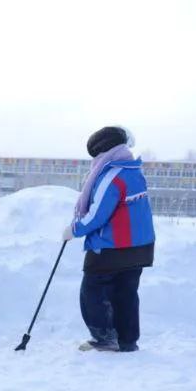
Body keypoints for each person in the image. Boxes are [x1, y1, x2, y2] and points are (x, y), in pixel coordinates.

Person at [62, 125, 156, 353]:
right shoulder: (133, 171)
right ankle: (127, 341)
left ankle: (104, 338)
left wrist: (75, 229)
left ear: (104, 151)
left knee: (92, 292)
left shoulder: (112, 176)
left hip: (112, 247)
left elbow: (98, 214)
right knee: (126, 293)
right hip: (141, 247)